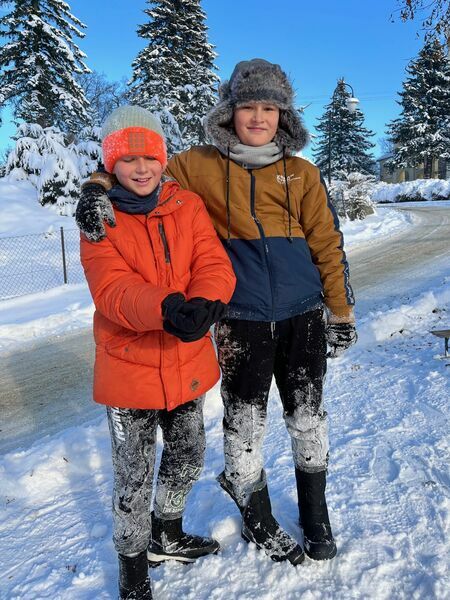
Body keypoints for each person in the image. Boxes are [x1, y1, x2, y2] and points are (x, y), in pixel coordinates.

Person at [76, 59, 357, 567]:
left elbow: (327, 243)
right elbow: (140, 167)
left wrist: (341, 311)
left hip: (303, 315)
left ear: (282, 116)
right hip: (240, 318)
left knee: (308, 417)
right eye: (248, 106)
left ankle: (316, 513)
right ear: (230, 112)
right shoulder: (197, 165)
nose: (258, 117)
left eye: (268, 108)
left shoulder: (303, 171)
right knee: (244, 422)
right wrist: (94, 185)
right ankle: (255, 510)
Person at [79, 105, 236, 600]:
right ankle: (132, 572)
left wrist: (209, 297)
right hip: (131, 368)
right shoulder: (98, 220)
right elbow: (112, 290)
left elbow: (212, 260)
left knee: (189, 455)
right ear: (111, 165)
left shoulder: (186, 205)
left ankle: (165, 533)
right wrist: (167, 307)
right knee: (133, 477)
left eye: (150, 155)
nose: (142, 167)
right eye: (128, 159)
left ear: (163, 157)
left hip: (185, 362)